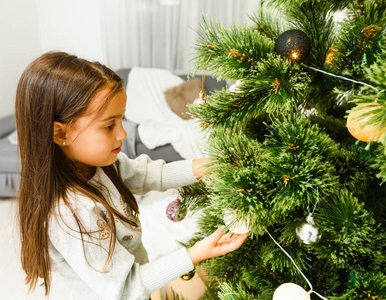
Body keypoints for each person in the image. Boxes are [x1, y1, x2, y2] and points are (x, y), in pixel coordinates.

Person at [15, 51, 248, 300]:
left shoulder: (100, 166)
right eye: (109, 126)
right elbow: (125, 289)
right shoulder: (71, 213)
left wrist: (206, 165)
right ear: (60, 133)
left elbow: (149, 174)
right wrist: (195, 254)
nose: (123, 135)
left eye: (121, 121)